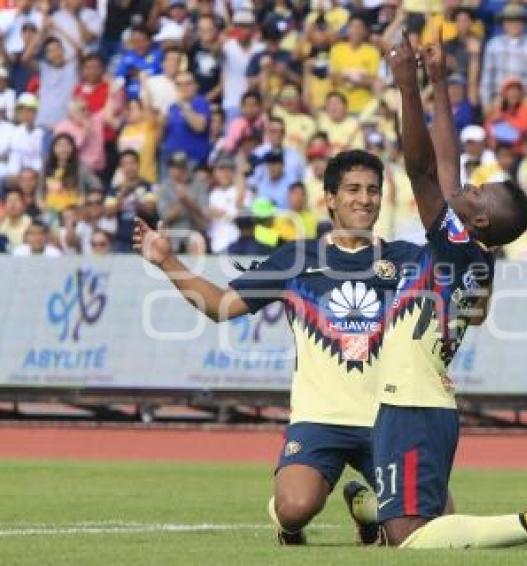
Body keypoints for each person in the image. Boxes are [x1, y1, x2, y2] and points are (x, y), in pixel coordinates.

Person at [362, 31, 527, 552]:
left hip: (413, 401)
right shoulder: (471, 253)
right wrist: (441, 81)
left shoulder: (457, 250)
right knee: (409, 524)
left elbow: (424, 169)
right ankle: (372, 507)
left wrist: (407, 85)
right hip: (425, 399)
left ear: (482, 218)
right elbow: (447, 169)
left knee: (408, 536)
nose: (466, 188)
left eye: (476, 192)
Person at [135, 149, 406, 547]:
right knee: (295, 509)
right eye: (352, 189)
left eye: (372, 190)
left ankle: (367, 510)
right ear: (329, 198)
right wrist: (167, 260)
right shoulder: (296, 259)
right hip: (319, 419)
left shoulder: (404, 261)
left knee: (432, 524)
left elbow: (451, 316)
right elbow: (221, 306)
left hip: (388, 421)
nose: (364, 199)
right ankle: (289, 519)